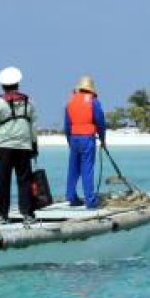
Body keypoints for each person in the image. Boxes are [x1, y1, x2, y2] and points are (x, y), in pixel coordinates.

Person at [0, 66, 39, 225]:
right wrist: (34, 145)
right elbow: (33, 126)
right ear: (18, 84)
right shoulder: (29, 101)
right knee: (24, 180)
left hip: (4, 145)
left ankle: (2, 214)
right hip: (24, 145)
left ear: (2, 86)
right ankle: (28, 214)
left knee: (3, 180)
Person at [64, 75, 107, 208]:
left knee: (73, 168)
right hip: (87, 137)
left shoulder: (70, 102)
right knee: (87, 168)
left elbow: (67, 125)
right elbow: (100, 121)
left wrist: (70, 141)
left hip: (74, 137)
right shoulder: (93, 101)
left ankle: (71, 197)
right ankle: (90, 200)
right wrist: (102, 138)